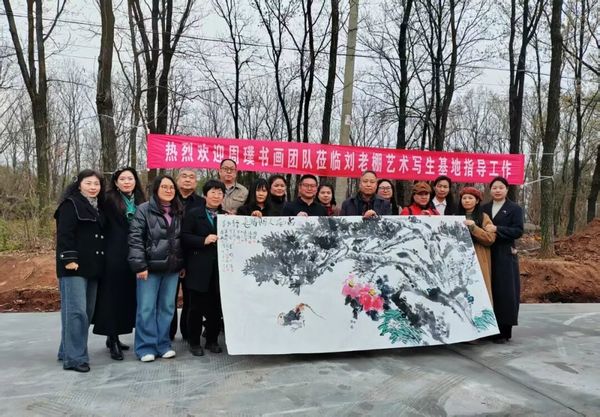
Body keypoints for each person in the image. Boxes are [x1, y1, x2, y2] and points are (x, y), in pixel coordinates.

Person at [128, 175, 184, 362]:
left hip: (172, 269)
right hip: (149, 269)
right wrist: (140, 265)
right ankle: (145, 347)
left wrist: (181, 264)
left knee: (167, 308)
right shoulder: (144, 209)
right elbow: (135, 238)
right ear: (156, 189)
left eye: (171, 187)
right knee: (146, 308)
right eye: (164, 187)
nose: (168, 190)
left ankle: (163, 344)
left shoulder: (178, 210)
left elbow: (181, 240)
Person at [55, 169, 106, 373]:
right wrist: (69, 259)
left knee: (87, 312)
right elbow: (64, 234)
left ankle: (66, 350)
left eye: (97, 184)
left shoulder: (98, 207)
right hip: (73, 267)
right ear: (79, 185)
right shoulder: (70, 204)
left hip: (93, 266)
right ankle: (75, 358)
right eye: (88, 183)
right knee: (75, 311)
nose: (93, 187)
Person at [93, 167, 145, 361]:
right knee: (111, 296)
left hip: (134, 253)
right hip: (113, 253)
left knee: (126, 296)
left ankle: (116, 335)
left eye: (130, 178)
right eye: (122, 179)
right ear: (116, 182)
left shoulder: (140, 200)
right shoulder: (108, 200)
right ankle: (112, 337)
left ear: (135, 181)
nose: (126, 182)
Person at [181, 179, 228, 356]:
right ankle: (194, 342)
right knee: (195, 307)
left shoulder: (226, 217)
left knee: (216, 307)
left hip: (219, 270)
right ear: (205, 195)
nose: (216, 196)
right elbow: (184, 237)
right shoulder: (193, 214)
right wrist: (203, 240)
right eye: (213, 192)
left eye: (220, 193)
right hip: (198, 268)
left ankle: (212, 340)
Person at [482, 176, 524, 343]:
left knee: (505, 291)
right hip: (486, 252)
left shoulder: (514, 209)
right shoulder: (484, 208)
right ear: (490, 190)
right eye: (494, 188)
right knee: (488, 290)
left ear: (507, 189)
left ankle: (504, 330)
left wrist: (497, 229)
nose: (497, 190)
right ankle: (487, 328)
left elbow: (518, 231)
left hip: (505, 253)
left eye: (501, 187)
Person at [169, 168, 205, 342]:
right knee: (169, 297)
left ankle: (188, 332)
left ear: (196, 182)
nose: (188, 180)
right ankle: (168, 333)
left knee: (191, 298)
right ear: (177, 180)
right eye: (184, 176)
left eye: (192, 177)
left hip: (193, 255)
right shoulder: (168, 199)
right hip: (171, 254)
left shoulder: (202, 202)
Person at [457, 186, 496, 303]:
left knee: (480, 290)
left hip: (478, 258)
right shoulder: (455, 216)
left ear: (477, 200)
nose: (467, 200)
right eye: (464, 198)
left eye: (470, 198)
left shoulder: (484, 217)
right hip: (459, 259)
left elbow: (490, 238)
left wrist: (474, 227)